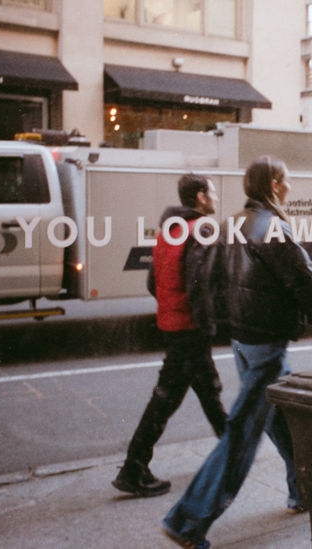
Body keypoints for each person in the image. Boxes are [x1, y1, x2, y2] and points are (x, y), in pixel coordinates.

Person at [162, 156, 312, 549]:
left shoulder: (231, 223)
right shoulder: (272, 226)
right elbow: (303, 280)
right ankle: (187, 520)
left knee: (279, 418)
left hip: (242, 341)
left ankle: (303, 491)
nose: (290, 188)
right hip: (264, 342)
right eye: (288, 181)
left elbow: (210, 281)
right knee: (241, 435)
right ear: (275, 185)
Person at [112, 174, 228, 498]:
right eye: (213, 192)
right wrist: (207, 324)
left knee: (207, 390)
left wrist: (171, 307)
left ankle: (233, 449)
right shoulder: (201, 230)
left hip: (174, 324)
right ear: (201, 197)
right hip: (190, 328)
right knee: (166, 398)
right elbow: (199, 285)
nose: (216, 198)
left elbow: (153, 282)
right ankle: (133, 468)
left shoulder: (170, 230)